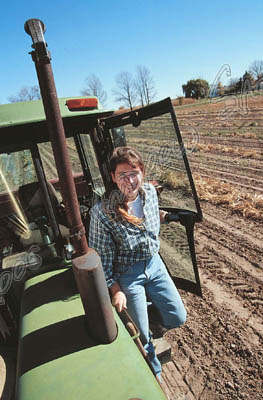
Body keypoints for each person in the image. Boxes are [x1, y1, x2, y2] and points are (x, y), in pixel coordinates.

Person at [89, 146, 186, 379]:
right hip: (128, 274)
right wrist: (115, 290)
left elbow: (152, 214)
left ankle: (147, 322)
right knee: (141, 336)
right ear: (113, 177)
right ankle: (154, 369)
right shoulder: (102, 213)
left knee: (177, 317)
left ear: (142, 172)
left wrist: (167, 216)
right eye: (122, 175)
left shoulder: (150, 193)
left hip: (155, 264)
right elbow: (101, 258)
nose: (129, 180)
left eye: (134, 172)